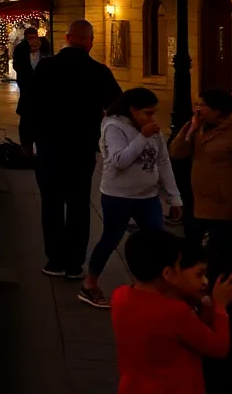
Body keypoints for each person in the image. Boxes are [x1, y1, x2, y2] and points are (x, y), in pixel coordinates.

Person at [20, 19, 121, 279]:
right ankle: (75, 264)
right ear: (90, 41)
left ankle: (55, 261)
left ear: (67, 37)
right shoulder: (99, 71)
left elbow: (29, 103)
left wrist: (26, 140)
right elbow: (118, 105)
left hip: (49, 146)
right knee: (78, 203)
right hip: (82, 148)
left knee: (51, 203)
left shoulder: (46, 66)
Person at [79, 88, 182, 308]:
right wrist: (142, 137)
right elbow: (119, 160)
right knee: (111, 239)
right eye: (147, 113)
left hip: (148, 196)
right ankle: (89, 285)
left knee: (157, 240)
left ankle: (154, 288)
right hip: (118, 195)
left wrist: (175, 197)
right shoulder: (113, 127)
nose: (151, 118)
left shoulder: (153, 130)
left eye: (154, 113)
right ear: (132, 110)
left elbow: (163, 163)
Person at [111, 229, 232, 394]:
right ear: (167, 273)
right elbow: (218, 347)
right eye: (179, 265)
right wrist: (220, 305)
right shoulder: (175, 311)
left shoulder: (119, 295)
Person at [171, 87, 232, 272]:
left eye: (203, 105)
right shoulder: (198, 129)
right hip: (196, 203)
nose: (198, 109)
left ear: (218, 111)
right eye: (197, 104)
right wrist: (189, 129)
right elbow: (176, 153)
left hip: (222, 207)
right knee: (194, 251)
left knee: (219, 255)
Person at [12, 26, 51, 118]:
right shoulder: (20, 50)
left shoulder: (44, 49)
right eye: (30, 39)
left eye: (35, 38)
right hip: (26, 86)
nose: (33, 42)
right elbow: (17, 66)